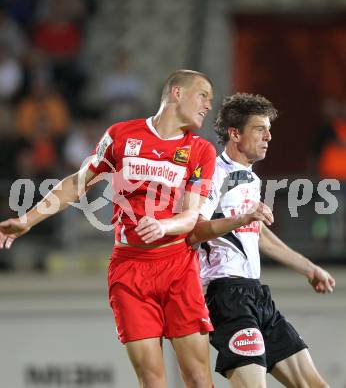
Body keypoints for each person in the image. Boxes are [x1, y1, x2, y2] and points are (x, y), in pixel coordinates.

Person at [0, 69, 217, 388]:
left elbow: (192, 216)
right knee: (152, 379)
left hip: (178, 266)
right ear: (176, 93)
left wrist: (163, 224)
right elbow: (77, 184)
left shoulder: (201, 151)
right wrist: (27, 220)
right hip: (129, 270)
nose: (208, 105)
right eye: (203, 95)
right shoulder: (120, 135)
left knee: (198, 377)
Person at [189, 93, 335, 388]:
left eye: (269, 129)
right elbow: (195, 230)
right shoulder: (213, 173)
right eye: (259, 129)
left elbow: (260, 237)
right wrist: (241, 219)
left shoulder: (251, 179)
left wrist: (309, 268)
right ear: (235, 133)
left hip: (256, 294)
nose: (268, 136)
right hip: (224, 294)